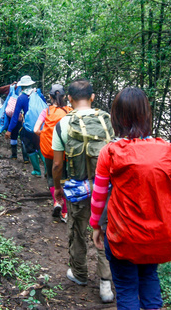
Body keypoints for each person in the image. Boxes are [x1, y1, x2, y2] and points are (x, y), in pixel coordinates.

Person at [90, 87, 171, 310]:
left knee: (126, 290)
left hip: (123, 236)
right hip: (156, 235)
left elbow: (99, 196)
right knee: (149, 279)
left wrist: (95, 226)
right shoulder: (168, 150)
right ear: (147, 114)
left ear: (116, 117)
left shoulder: (111, 151)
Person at [52, 79, 114, 303]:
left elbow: (58, 165)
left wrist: (58, 188)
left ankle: (79, 274)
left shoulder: (63, 123)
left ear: (69, 99)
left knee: (78, 231)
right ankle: (106, 284)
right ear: (93, 97)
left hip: (78, 189)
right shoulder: (106, 120)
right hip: (105, 189)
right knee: (104, 231)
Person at [33, 84, 72, 223]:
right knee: (65, 178)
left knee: (51, 177)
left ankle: (57, 203)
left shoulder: (46, 111)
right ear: (65, 97)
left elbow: (36, 129)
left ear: (50, 97)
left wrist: (46, 137)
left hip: (50, 150)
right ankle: (66, 213)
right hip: (67, 151)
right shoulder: (70, 111)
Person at [5, 75, 45, 176]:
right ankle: (47, 169)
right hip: (40, 126)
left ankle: (37, 170)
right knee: (40, 147)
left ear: (21, 86)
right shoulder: (38, 94)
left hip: (28, 127)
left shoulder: (21, 98)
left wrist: (9, 130)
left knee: (30, 147)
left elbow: (15, 116)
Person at [4, 81, 29, 163]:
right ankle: (26, 158)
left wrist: (9, 130)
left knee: (14, 136)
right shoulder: (35, 95)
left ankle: (14, 155)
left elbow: (15, 115)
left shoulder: (20, 96)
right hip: (26, 120)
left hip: (16, 118)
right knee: (25, 139)